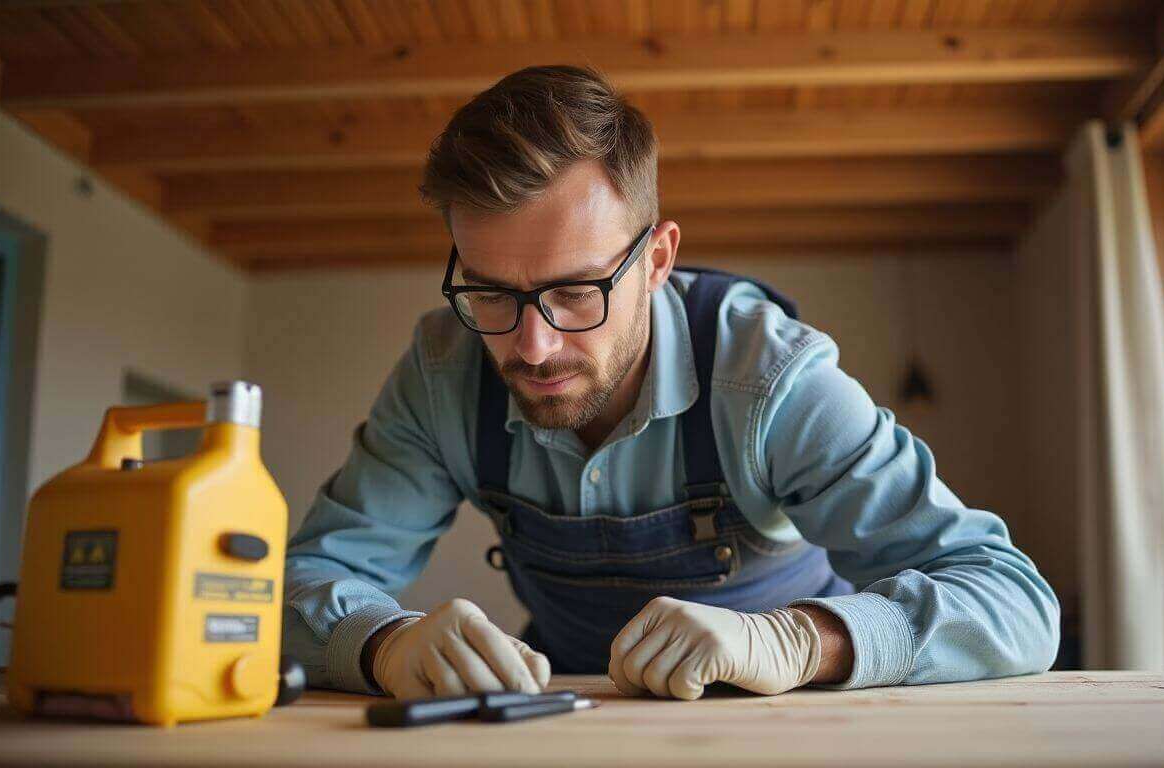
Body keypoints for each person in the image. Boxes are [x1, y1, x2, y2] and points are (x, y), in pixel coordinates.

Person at [282, 65, 1059, 702]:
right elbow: (290, 591)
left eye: (575, 291)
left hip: (786, 726)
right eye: (490, 292)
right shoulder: (443, 372)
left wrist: (798, 640)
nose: (533, 345)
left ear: (656, 261)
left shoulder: (771, 380)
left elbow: (1013, 599)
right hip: (566, 720)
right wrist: (382, 644)